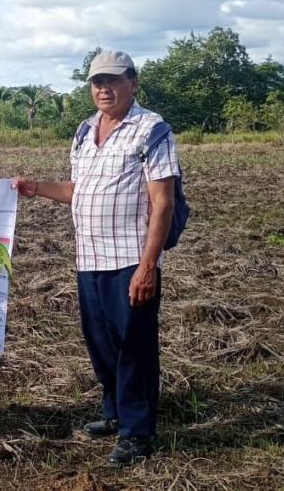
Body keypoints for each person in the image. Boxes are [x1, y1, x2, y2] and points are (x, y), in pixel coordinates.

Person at [12, 51, 180, 465]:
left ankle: (137, 432)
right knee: (101, 343)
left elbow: (163, 204)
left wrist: (147, 265)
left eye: (113, 80)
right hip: (88, 257)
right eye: (96, 82)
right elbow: (78, 190)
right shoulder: (85, 130)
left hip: (129, 258)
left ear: (133, 82)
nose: (103, 89)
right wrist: (36, 187)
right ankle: (114, 412)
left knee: (134, 347)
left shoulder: (151, 129)